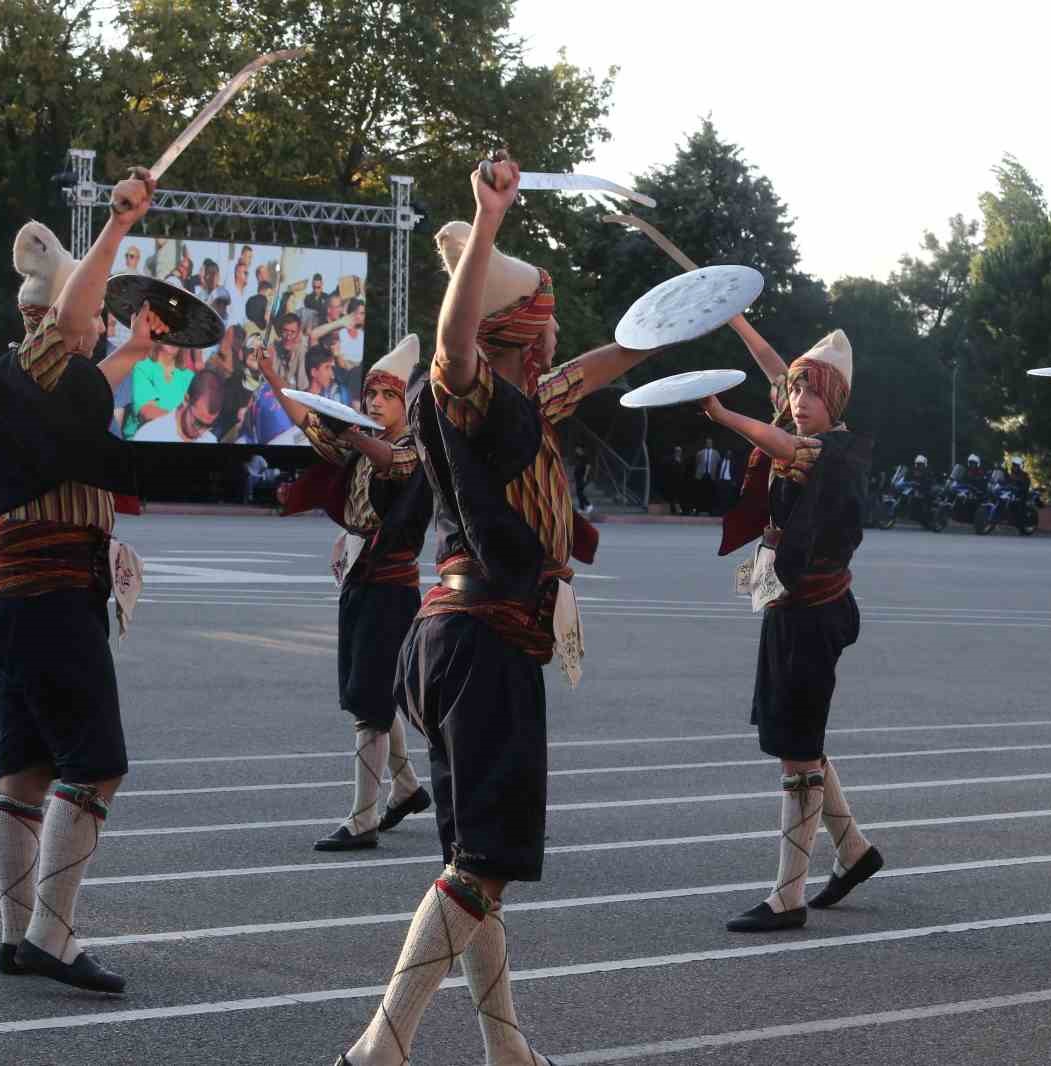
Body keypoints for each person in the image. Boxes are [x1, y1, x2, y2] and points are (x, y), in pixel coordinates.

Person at [335, 156, 665, 1066]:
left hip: (463, 639)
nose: (559, 351)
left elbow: (594, 373)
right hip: (482, 645)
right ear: (521, 341)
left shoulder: (525, 405)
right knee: (480, 868)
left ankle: (508, 1053)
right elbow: (451, 347)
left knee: (478, 866)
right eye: (548, 336)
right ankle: (380, 1049)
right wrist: (487, 224)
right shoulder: (477, 399)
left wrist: (662, 328)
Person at [0, 170, 162, 995]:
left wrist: (139, 352)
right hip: (47, 595)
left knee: (25, 773)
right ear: (54, 320)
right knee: (97, 764)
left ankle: (19, 936)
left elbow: (86, 380)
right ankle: (50, 934)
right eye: (94, 319)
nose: (99, 330)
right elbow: (71, 336)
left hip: (21, 597)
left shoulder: (37, 382)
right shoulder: (34, 357)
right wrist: (119, 225)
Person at [709, 316, 884, 933]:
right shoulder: (803, 422)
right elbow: (773, 367)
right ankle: (855, 852)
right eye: (794, 392)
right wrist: (731, 314)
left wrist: (726, 417)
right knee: (798, 738)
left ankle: (787, 896)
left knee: (797, 750)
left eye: (810, 393)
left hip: (813, 612)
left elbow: (787, 448)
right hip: (789, 604)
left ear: (833, 399)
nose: (796, 402)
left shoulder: (838, 450)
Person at [266, 335, 434, 851]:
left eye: (386, 396)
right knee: (374, 692)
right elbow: (307, 422)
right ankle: (404, 788)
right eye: (370, 397)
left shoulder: (414, 447)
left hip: (390, 586)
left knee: (369, 700)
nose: (376, 404)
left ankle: (362, 820)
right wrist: (274, 377)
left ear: (405, 401)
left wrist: (352, 431)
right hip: (361, 579)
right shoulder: (360, 439)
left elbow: (391, 461)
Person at [124, 342, 195, 439]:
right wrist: (182, 424)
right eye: (170, 333)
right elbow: (147, 412)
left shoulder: (189, 376)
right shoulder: (143, 367)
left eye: (179, 337)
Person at [133, 367, 222, 443]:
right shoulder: (150, 435)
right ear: (186, 400)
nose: (201, 432)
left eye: (208, 426)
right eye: (198, 423)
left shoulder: (210, 440)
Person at [660, 445, 686, 514]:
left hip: (680, 481)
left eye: (679, 451)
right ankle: (673, 510)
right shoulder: (669, 459)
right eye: (677, 451)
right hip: (672, 481)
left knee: (679, 496)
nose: (678, 452)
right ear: (674, 452)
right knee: (672, 496)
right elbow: (668, 470)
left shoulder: (683, 459)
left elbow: (683, 470)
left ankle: (680, 510)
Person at [572, 443, 593, 514]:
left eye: (577, 449)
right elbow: (576, 467)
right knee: (578, 492)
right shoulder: (577, 457)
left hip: (583, 477)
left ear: (581, 449)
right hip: (578, 477)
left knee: (579, 492)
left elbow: (588, 467)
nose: (576, 450)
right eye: (576, 449)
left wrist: (585, 476)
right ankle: (581, 508)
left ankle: (589, 505)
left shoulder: (585, 457)